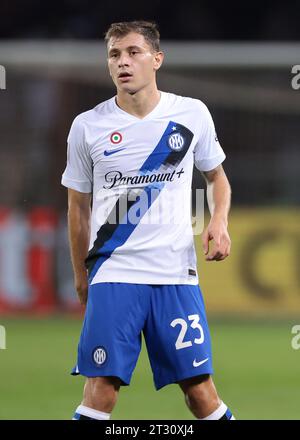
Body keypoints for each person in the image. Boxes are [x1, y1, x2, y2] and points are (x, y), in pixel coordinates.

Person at [61, 20, 234, 421]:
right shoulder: (88, 126)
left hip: (175, 273)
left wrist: (219, 221)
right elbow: (78, 209)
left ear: (157, 59)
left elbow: (218, 179)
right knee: (101, 391)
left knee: (200, 393)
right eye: (115, 54)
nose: (123, 62)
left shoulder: (191, 114)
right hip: (114, 271)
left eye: (134, 52)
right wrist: (81, 275)